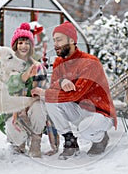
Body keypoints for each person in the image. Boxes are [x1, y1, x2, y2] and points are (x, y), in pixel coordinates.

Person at [31, 21, 117, 160]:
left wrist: (44, 93)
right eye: (54, 40)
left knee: (84, 128)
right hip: (79, 109)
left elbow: (76, 93)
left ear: (71, 40)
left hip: (101, 113)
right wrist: (61, 81)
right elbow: (54, 87)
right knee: (50, 100)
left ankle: (100, 138)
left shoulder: (90, 62)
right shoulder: (59, 62)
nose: (56, 44)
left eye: (59, 40)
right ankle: (70, 141)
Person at [0, 22, 48, 158]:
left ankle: (36, 141)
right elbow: (9, 87)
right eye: (20, 43)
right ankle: (18, 142)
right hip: (13, 109)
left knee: (38, 108)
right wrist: (24, 77)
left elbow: (43, 89)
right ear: (15, 46)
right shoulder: (8, 66)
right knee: (16, 133)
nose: (23, 46)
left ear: (31, 45)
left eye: (27, 43)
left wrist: (30, 100)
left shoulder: (37, 66)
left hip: (31, 104)